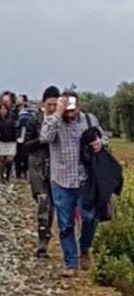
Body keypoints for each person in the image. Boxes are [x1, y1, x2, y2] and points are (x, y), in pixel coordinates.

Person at [40, 90, 106, 277]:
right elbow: (45, 138)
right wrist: (57, 114)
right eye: (66, 105)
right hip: (61, 180)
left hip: (84, 179)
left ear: (79, 105)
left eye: (72, 105)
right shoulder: (53, 121)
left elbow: (104, 137)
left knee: (89, 218)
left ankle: (84, 247)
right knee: (66, 225)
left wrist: (100, 143)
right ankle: (71, 263)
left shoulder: (88, 120)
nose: (70, 110)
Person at [25, 86, 60, 258]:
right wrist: (42, 140)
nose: (52, 108)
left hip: (56, 167)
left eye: (55, 104)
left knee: (50, 205)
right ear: (43, 103)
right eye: (49, 104)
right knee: (42, 201)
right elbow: (26, 144)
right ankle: (42, 237)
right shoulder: (34, 120)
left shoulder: (62, 122)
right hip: (38, 165)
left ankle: (44, 242)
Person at [0, 103, 16, 183]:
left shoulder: (12, 119)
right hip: (0, 141)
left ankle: (8, 175)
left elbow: (16, 129)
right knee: (1, 159)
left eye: (5, 109)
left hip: (11, 142)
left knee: (10, 159)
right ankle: (1, 177)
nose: (3, 110)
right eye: (1, 109)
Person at [14, 94, 32, 180]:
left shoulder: (29, 112)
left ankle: (25, 173)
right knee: (17, 157)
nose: (18, 100)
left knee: (25, 157)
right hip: (16, 136)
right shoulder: (14, 111)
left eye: (20, 99)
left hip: (27, 137)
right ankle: (18, 175)